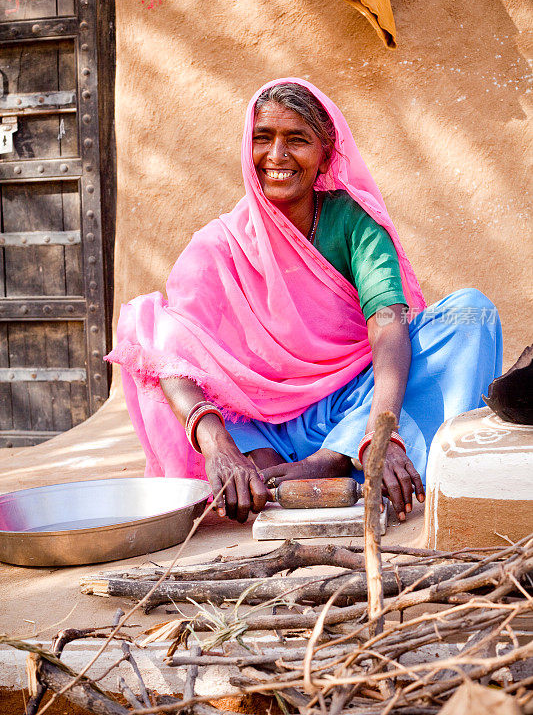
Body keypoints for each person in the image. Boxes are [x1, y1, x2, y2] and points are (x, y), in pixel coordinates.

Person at [106, 78, 502, 524]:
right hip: (262, 428)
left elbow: (388, 321)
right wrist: (218, 447)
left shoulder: (353, 222)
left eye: (297, 139)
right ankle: (260, 469)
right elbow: (168, 355)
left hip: (356, 405)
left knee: (472, 314)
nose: (276, 156)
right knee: (152, 329)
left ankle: (331, 460)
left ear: (325, 152)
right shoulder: (218, 245)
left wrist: (383, 433)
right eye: (263, 138)